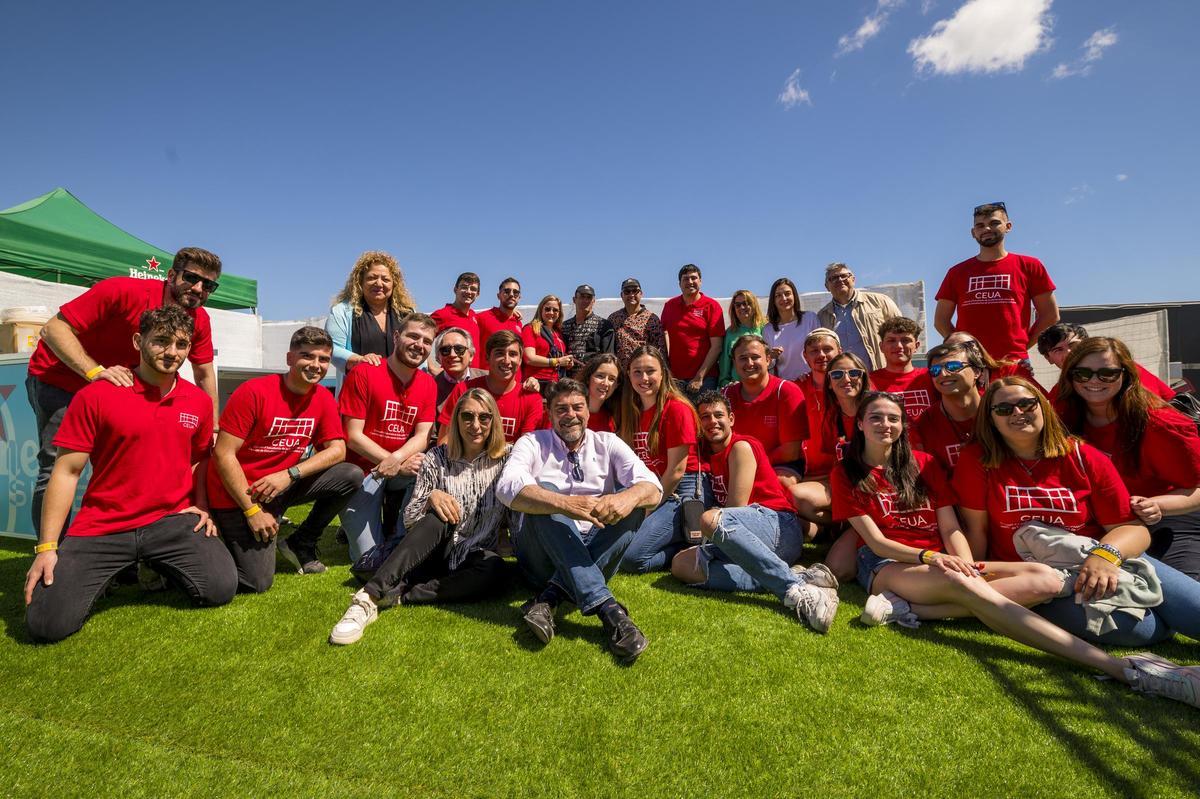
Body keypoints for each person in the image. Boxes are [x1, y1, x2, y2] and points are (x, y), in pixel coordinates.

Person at [834, 391, 1200, 707]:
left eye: (893, 418)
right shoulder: (846, 472)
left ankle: (909, 610)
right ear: (860, 424)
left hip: (941, 560)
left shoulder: (924, 464)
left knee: (1046, 579)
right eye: (876, 417)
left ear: (903, 425)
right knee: (966, 585)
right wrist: (934, 559)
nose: (885, 424)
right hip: (887, 564)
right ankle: (1122, 669)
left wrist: (965, 562)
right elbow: (877, 542)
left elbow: (949, 527)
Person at [24, 306, 236, 643]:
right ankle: (121, 568)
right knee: (47, 624)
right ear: (138, 341)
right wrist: (47, 547)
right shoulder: (96, 395)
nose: (172, 352)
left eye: (181, 344)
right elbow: (66, 471)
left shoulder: (197, 401)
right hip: (103, 526)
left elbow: (199, 460)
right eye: (161, 341)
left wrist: (201, 504)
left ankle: (152, 564)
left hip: (170, 522)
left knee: (221, 587)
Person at [954, 377, 1200, 650]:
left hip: (1098, 556)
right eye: (1003, 409)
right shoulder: (978, 461)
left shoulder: (1084, 456)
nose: (1017, 412)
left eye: (1027, 404)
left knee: (1195, 608)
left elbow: (1132, 527)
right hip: (1042, 576)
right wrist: (978, 584)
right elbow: (977, 530)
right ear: (990, 420)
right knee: (1142, 630)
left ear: (1043, 406)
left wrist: (1104, 556)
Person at [25, 246, 222, 535]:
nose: (198, 288)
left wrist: (213, 427)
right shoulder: (121, 290)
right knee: (57, 465)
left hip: (121, 389)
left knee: (126, 467)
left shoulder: (199, 319)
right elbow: (53, 330)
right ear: (171, 275)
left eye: (208, 285)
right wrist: (95, 372)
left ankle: (123, 545)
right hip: (60, 379)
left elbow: (204, 372)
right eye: (191, 278)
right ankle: (53, 550)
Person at [496, 379, 663, 663]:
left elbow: (653, 487)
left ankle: (550, 597)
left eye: (577, 407)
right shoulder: (532, 442)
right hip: (542, 556)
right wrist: (566, 504)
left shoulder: (607, 442)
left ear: (588, 411)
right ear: (550, 413)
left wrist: (627, 498)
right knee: (545, 494)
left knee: (633, 503)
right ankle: (610, 611)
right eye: (561, 409)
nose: (570, 415)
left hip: (595, 545)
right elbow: (507, 486)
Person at [329, 389, 511, 645]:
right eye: (467, 416)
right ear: (457, 419)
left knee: (497, 570)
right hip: (435, 551)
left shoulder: (506, 459)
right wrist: (430, 498)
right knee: (438, 515)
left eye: (484, 417)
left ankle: (402, 594)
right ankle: (367, 598)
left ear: (494, 421)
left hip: (474, 554)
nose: (476, 425)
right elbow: (410, 519)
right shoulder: (437, 458)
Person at [669, 392, 839, 633]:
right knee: (682, 565)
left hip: (778, 526)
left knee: (711, 519)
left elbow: (734, 509)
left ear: (731, 418)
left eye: (718, 415)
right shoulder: (707, 454)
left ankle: (796, 591)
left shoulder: (741, 447)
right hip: (745, 538)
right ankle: (795, 576)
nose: (712, 421)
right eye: (704, 417)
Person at [208, 326, 363, 591]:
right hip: (239, 494)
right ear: (290, 358)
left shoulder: (323, 397)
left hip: (280, 486)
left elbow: (338, 450)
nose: (315, 365)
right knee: (257, 581)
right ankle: (211, 541)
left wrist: (289, 474)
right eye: (307, 356)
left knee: (350, 475)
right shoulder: (254, 391)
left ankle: (301, 541)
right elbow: (223, 454)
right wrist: (252, 511)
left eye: (323, 359)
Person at [1056, 337, 1200, 579]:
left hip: (1167, 520)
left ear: (1126, 374)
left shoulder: (1161, 425)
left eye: (1107, 374)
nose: (1094, 381)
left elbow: (1197, 490)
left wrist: (1157, 504)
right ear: (1070, 376)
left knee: (1185, 592)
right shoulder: (1061, 417)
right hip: (1099, 522)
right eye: (1083, 373)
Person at [338, 314, 439, 564]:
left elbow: (423, 435)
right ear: (396, 337)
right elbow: (353, 436)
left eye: (427, 341)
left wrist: (398, 461)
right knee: (368, 559)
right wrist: (394, 462)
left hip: (399, 469)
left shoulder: (428, 383)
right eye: (413, 336)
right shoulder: (364, 373)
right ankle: (361, 524)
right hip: (363, 473)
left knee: (425, 467)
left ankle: (401, 533)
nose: (419, 345)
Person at [934, 202, 1060, 374]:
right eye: (980, 225)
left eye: (994, 223)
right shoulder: (956, 272)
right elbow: (940, 321)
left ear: (1008, 226)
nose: (986, 228)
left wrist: (1022, 347)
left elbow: (1050, 315)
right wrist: (962, 350)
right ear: (973, 232)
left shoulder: (1030, 266)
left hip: (1014, 362)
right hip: (970, 364)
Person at [618, 346, 710, 574]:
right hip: (650, 486)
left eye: (650, 371)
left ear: (663, 374)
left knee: (631, 558)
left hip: (681, 488)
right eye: (637, 372)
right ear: (629, 375)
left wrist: (649, 510)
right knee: (616, 543)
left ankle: (686, 546)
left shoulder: (677, 408)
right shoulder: (632, 410)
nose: (644, 378)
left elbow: (676, 471)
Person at [793, 351, 873, 581]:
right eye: (837, 375)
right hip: (846, 490)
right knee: (797, 495)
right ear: (829, 382)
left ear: (863, 376)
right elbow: (834, 461)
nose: (846, 379)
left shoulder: (876, 410)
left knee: (838, 570)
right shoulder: (832, 416)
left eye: (853, 373)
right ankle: (839, 529)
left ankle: (849, 532)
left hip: (875, 496)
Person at [325, 250, 416, 388]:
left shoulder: (408, 314)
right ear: (360, 281)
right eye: (372, 277)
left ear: (394, 284)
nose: (379, 283)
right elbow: (332, 348)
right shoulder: (342, 311)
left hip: (401, 390)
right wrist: (359, 360)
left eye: (385, 279)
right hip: (358, 389)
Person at [722, 335, 807, 480]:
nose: (749, 363)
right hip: (737, 465)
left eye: (755, 357)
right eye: (743, 358)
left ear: (768, 360)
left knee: (781, 484)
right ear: (734, 363)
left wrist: (750, 465)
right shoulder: (725, 395)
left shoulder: (786, 391)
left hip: (780, 465)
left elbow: (790, 452)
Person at [438, 330, 545, 444]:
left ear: (520, 360)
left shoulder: (531, 399)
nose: (506, 361)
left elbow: (527, 448)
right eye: (499, 353)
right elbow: (444, 441)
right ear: (487, 358)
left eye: (513, 354)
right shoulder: (464, 390)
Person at [1038, 322, 1176, 402]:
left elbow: (1167, 405)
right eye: (1058, 350)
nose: (1069, 352)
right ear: (1048, 358)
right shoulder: (1059, 393)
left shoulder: (1123, 369)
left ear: (1088, 344)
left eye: (1073, 345)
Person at [911, 342, 984, 473]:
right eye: (935, 370)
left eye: (953, 366)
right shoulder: (923, 425)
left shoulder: (1001, 411)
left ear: (977, 371)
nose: (943, 374)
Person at [816, 262, 902, 371]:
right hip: (843, 378)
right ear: (827, 286)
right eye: (833, 278)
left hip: (879, 373)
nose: (840, 280)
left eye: (844, 276)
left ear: (853, 279)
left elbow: (902, 332)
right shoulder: (822, 316)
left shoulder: (880, 302)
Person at [660, 263, 724, 400]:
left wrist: (699, 377)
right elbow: (663, 335)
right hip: (675, 379)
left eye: (694, 278)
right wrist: (668, 370)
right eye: (685, 279)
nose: (690, 282)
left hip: (705, 380)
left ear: (700, 281)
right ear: (679, 283)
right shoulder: (670, 306)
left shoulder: (712, 306)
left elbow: (717, 346)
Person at [869, 317, 935, 422]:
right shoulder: (868, 381)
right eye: (891, 340)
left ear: (916, 346)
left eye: (905, 340)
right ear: (881, 347)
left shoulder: (932, 376)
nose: (899, 346)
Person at [762, 277, 819, 380]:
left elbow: (820, 350)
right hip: (786, 383)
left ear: (794, 295)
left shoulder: (810, 318)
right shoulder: (768, 330)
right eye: (778, 295)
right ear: (773, 300)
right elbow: (767, 364)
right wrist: (772, 356)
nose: (784, 298)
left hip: (811, 380)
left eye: (787, 293)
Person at [608, 277, 667, 368]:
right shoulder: (613, 318)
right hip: (620, 373)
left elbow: (660, 350)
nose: (631, 295)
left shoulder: (652, 319)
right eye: (627, 292)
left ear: (641, 294)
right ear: (621, 295)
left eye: (635, 291)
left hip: (643, 371)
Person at [522, 294, 575, 395]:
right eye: (547, 309)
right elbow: (529, 358)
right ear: (541, 310)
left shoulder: (559, 333)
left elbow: (559, 357)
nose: (551, 312)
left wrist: (567, 363)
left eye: (555, 310)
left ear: (559, 313)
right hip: (536, 383)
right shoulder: (530, 329)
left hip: (556, 385)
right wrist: (557, 361)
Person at [429, 327, 486, 416]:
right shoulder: (431, 388)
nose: (452, 354)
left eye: (459, 349)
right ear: (438, 357)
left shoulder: (488, 380)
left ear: (471, 355)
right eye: (445, 350)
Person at [430, 272, 483, 367]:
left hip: (474, 374)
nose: (468, 292)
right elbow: (423, 339)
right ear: (455, 289)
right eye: (464, 287)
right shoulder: (442, 314)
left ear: (478, 294)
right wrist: (431, 367)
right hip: (452, 374)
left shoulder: (475, 316)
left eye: (473, 289)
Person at [717, 290, 766, 387]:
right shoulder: (730, 334)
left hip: (763, 386)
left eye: (745, 303)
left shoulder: (766, 328)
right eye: (738, 305)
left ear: (753, 305)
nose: (742, 307)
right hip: (738, 389)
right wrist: (728, 384)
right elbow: (724, 371)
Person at [561, 284, 614, 364]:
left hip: (594, 371)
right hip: (568, 371)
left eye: (589, 297)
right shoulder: (564, 326)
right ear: (574, 300)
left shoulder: (604, 325)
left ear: (593, 301)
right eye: (582, 297)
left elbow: (608, 356)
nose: (585, 300)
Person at [579, 353, 622, 433]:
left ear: (617, 385)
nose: (605, 383)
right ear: (588, 378)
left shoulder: (614, 420)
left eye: (611, 379)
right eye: (600, 376)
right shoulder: (570, 412)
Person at [476, 277, 525, 347]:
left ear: (519, 297)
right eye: (507, 291)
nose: (511, 294)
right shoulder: (481, 318)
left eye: (515, 292)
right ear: (498, 296)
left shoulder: (518, 323)